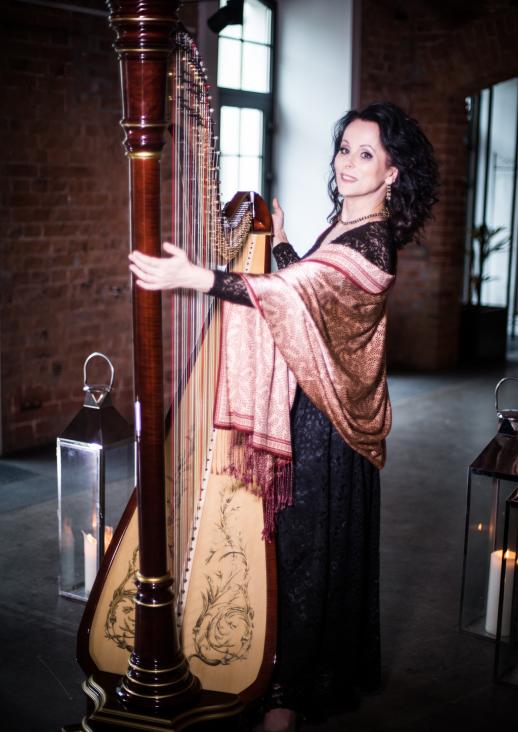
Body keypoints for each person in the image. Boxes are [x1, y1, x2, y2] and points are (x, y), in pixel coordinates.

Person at [129, 101, 439, 732]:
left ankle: (285, 700)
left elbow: (296, 294)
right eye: (343, 148)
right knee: (294, 552)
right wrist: (291, 244)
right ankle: (278, 678)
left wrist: (198, 276)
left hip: (327, 429)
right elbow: (308, 286)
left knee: (303, 558)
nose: (346, 163)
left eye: (365, 154)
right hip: (310, 414)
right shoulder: (342, 230)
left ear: (393, 172)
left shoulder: (374, 244)